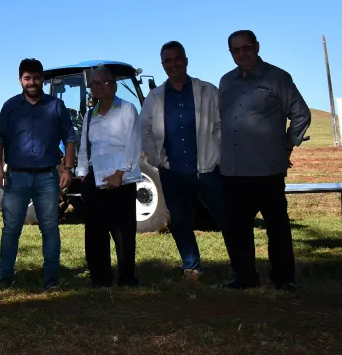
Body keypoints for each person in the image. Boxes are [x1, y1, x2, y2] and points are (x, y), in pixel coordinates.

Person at [218, 30, 310, 290]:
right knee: (238, 228)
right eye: (236, 50)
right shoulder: (226, 82)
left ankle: (283, 278)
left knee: (277, 227)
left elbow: (301, 114)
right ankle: (245, 277)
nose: (242, 53)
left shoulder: (277, 77)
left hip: (267, 170)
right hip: (233, 171)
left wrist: (288, 146)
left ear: (257, 46)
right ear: (231, 54)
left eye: (246, 47)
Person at [140, 41, 226, 283]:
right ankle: (191, 268)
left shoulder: (207, 91)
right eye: (168, 61)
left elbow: (222, 124)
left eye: (177, 59)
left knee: (225, 218)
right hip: (173, 171)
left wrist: (217, 155)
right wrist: (157, 159)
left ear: (186, 60)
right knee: (180, 222)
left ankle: (242, 267)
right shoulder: (155, 97)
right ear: (162, 65)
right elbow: (145, 129)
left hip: (207, 170)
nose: (173, 64)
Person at [0, 58, 76, 290]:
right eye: (27, 78)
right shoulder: (10, 106)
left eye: (36, 78)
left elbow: (70, 138)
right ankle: (5, 276)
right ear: (20, 80)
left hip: (47, 177)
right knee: (11, 228)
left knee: (49, 228)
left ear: (42, 79)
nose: (32, 82)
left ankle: (51, 278)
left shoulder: (55, 106)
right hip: (16, 176)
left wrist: (68, 168)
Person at [76, 65, 142, 288]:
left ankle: (126, 278)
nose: (98, 87)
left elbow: (133, 143)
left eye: (103, 83)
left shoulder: (127, 109)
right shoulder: (89, 116)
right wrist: (82, 174)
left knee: (123, 232)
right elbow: (84, 148)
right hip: (95, 179)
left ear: (114, 86)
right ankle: (100, 279)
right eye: (94, 84)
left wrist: (120, 173)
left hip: (122, 179)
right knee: (95, 232)